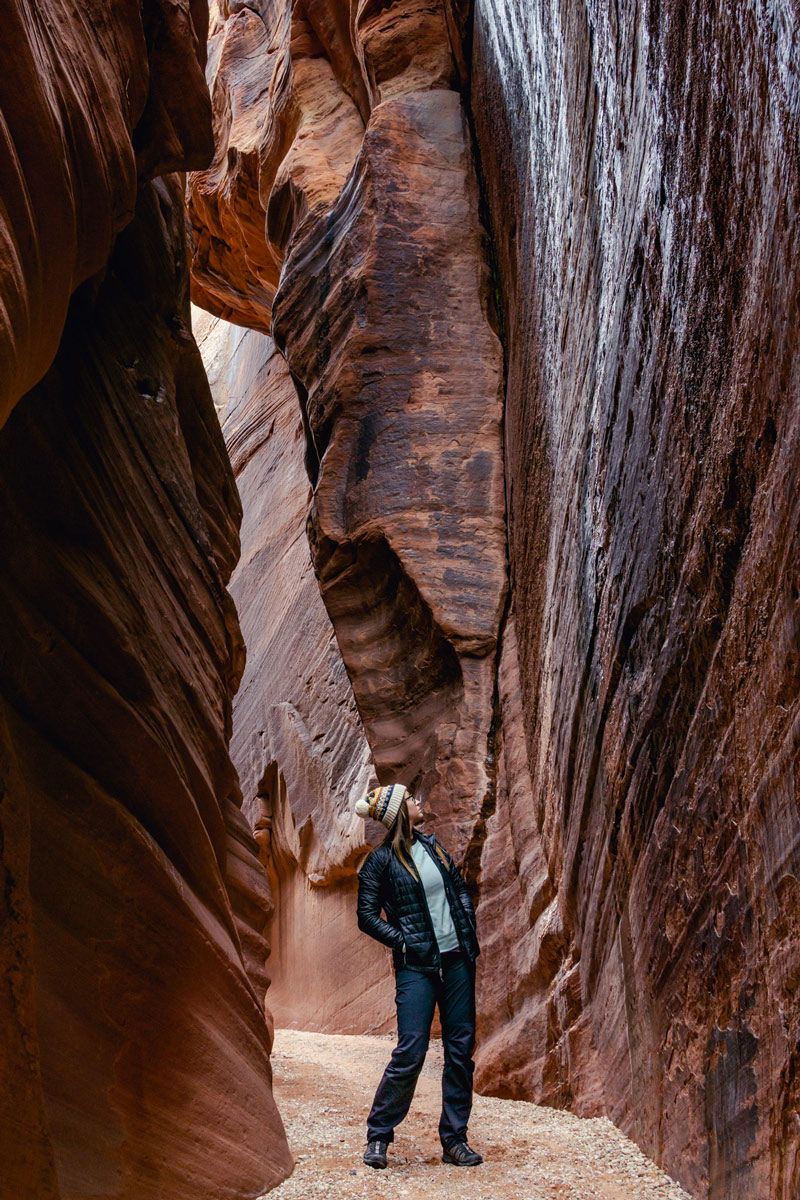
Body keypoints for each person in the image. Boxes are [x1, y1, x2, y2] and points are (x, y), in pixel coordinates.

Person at [354, 782, 482, 1170]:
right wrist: (404, 942)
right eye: (410, 799)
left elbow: (458, 887)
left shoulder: (433, 846)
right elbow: (366, 916)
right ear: (397, 813)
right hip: (417, 967)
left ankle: (454, 1140)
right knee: (411, 1050)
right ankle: (379, 1135)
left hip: (457, 959)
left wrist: (466, 921)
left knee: (460, 1050)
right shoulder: (379, 862)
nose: (417, 802)